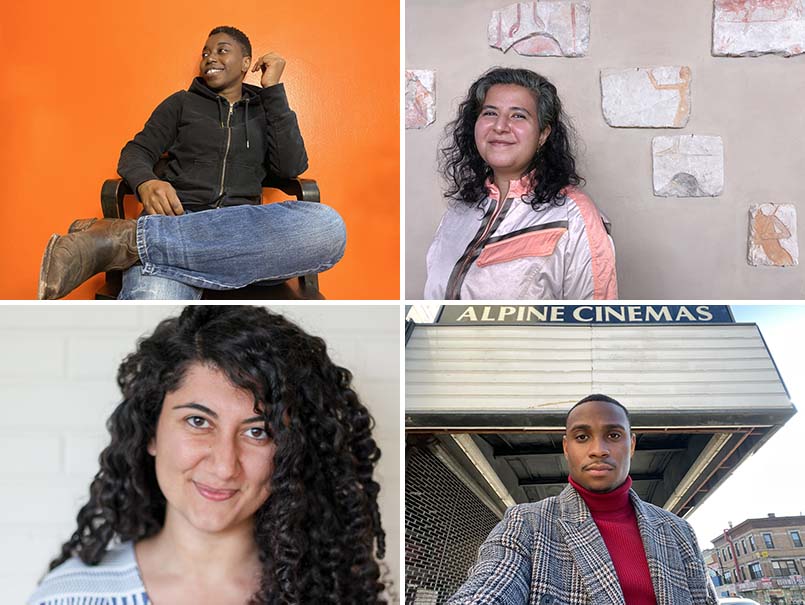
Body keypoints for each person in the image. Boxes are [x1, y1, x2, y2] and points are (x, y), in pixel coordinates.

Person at [28, 306, 387, 604]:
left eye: (257, 431)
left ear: (291, 451)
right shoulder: (69, 597)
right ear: (151, 432)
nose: (224, 464)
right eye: (198, 421)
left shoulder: (332, 595)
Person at [38, 26, 346, 300]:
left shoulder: (266, 110)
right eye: (206, 53)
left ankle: (128, 240)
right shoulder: (180, 103)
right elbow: (135, 152)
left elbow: (291, 168)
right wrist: (147, 181)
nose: (210, 57)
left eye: (222, 50)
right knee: (150, 316)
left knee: (328, 227)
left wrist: (273, 91)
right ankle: (153, 245)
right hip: (176, 219)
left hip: (245, 239)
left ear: (246, 62)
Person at [447, 394, 717, 605]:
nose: (598, 450)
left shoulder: (677, 530)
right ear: (566, 447)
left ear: (631, 445)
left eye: (613, 435)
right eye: (582, 437)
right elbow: (490, 586)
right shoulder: (527, 522)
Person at [425, 68, 618, 300]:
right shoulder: (458, 211)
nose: (500, 126)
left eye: (518, 116)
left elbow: (595, 321)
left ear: (543, 134)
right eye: (489, 113)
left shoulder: (575, 215)